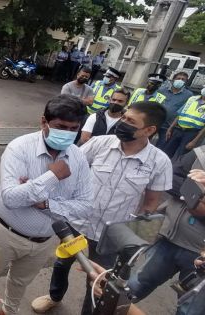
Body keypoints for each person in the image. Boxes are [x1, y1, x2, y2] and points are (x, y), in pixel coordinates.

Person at [32, 101, 172, 315]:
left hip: (112, 234)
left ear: (149, 130)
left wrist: (135, 242)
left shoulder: (159, 162)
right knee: (62, 263)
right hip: (77, 222)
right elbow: (69, 168)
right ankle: (54, 296)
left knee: (99, 280)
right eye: (124, 117)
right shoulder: (100, 143)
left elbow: (151, 204)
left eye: (130, 121)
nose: (122, 123)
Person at [0, 94, 93, 315]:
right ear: (44, 122)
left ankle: (8, 311)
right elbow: (11, 198)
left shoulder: (78, 158)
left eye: (73, 128)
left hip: (43, 241)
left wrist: (44, 202)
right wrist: (52, 176)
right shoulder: (19, 148)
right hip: (4, 233)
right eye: (61, 126)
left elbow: (85, 206)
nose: (68, 133)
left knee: (20, 283)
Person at [127, 147, 205, 314]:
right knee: (132, 288)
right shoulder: (201, 153)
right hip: (169, 240)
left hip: (200, 256)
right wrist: (195, 196)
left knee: (189, 309)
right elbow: (171, 178)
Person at [163, 87, 205, 160]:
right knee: (166, 152)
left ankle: (173, 171)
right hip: (178, 129)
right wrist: (170, 128)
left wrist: (194, 141)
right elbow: (180, 114)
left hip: (191, 133)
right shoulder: (192, 99)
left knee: (180, 157)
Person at [156, 72, 193, 149]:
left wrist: (172, 127)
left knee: (160, 146)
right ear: (173, 79)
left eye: (183, 79)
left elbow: (184, 111)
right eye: (178, 78)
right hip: (156, 121)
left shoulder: (189, 95)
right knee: (145, 141)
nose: (180, 80)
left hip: (169, 126)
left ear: (186, 82)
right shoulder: (162, 90)